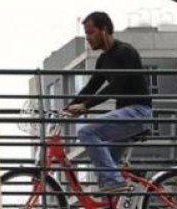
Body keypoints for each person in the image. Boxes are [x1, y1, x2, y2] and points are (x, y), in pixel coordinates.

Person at [64, 11, 153, 193]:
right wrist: (66, 107)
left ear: (104, 30)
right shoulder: (104, 59)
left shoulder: (125, 52)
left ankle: (113, 182)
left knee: (87, 132)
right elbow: (91, 87)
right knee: (105, 168)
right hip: (126, 116)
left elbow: (115, 86)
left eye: (91, 32)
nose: (88, 39)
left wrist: (85, 106)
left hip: (137, 112)